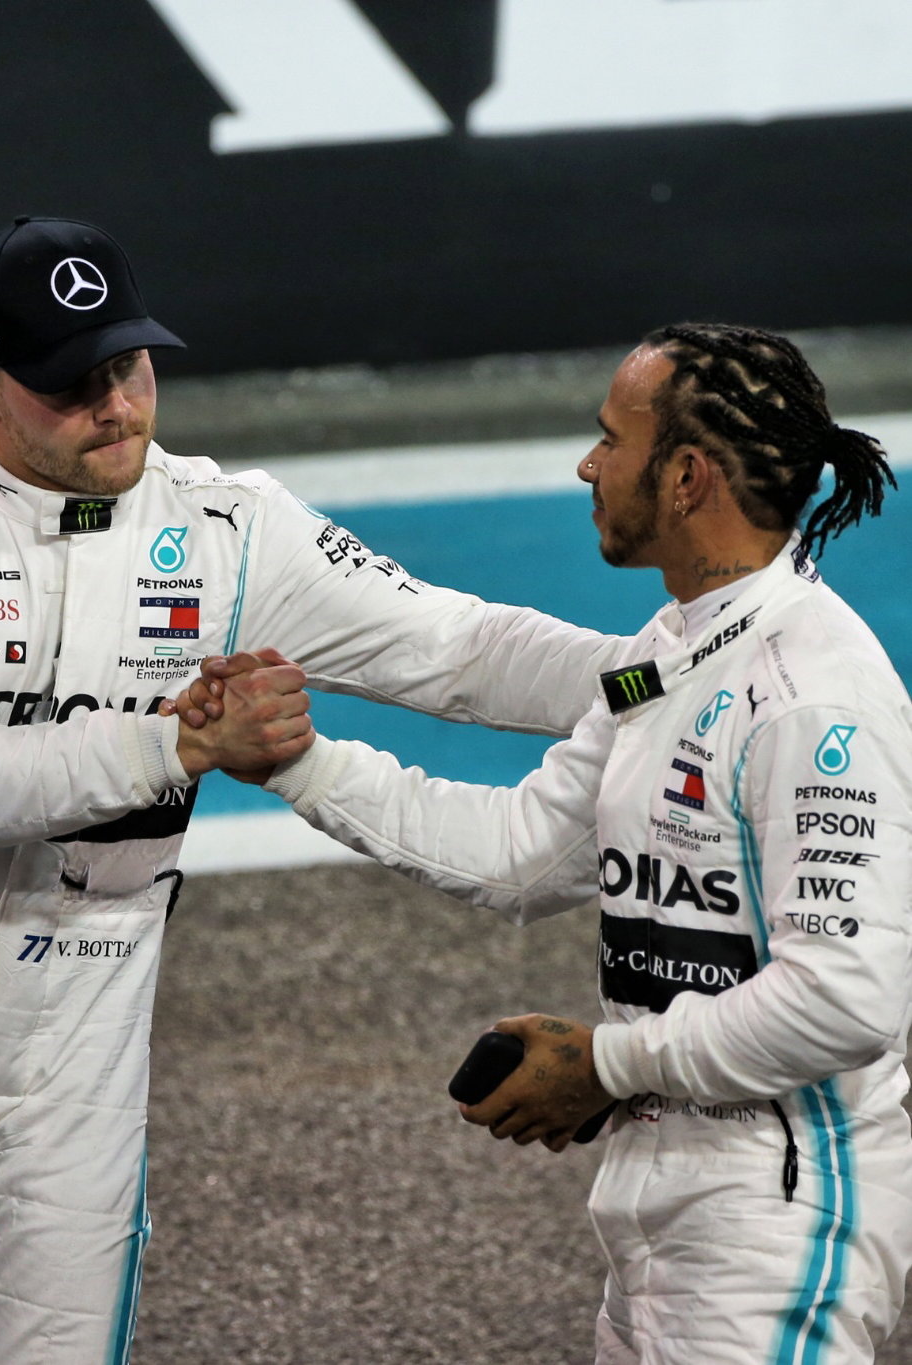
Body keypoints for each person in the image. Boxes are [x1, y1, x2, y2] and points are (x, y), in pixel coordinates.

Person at [0, 214, 622, 1363]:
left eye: (129, 365)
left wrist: (690, 664)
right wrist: (182, 746)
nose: (116, 404)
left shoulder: (229, 526)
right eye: (72, 383)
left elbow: (462, 651)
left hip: (76, 1078)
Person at [226, 324, 912, 1363]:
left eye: (610, 441)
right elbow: (521, 852)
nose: (587, 466)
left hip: (782, 1213)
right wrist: (300, 764)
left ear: (686, 478)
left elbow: (848, 995)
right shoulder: (669, 655)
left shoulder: (814, 699)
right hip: (671, 1195)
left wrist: (608, 1061)